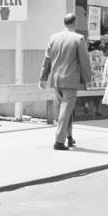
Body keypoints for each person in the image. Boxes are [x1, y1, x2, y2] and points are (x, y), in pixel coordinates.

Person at [39, 12, 92, 150]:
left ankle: (69, 137)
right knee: (65, 111)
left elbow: (47, 60)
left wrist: (43, 78)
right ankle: (59, 141)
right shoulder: (78, 39)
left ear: (64, 23)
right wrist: (88, 78)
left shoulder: (53, 37)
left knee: (65, 110)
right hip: (70, 79)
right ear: (75, 23)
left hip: (56, 79)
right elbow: (84, 61)